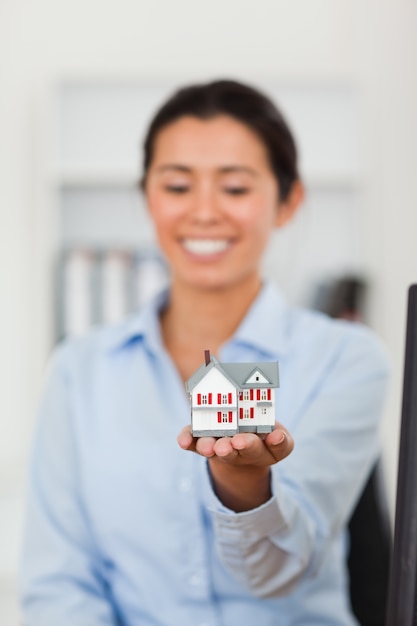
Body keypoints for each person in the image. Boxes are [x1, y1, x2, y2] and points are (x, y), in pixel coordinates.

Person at [19, 79, 390, 626]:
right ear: (147, 196)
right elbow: (59, 588)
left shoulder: (347, 357)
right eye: (177, 186)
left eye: (236, 189)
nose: (205, 212)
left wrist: (246, 486)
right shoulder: (81, 370)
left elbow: (283, 571)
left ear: (288, 202)